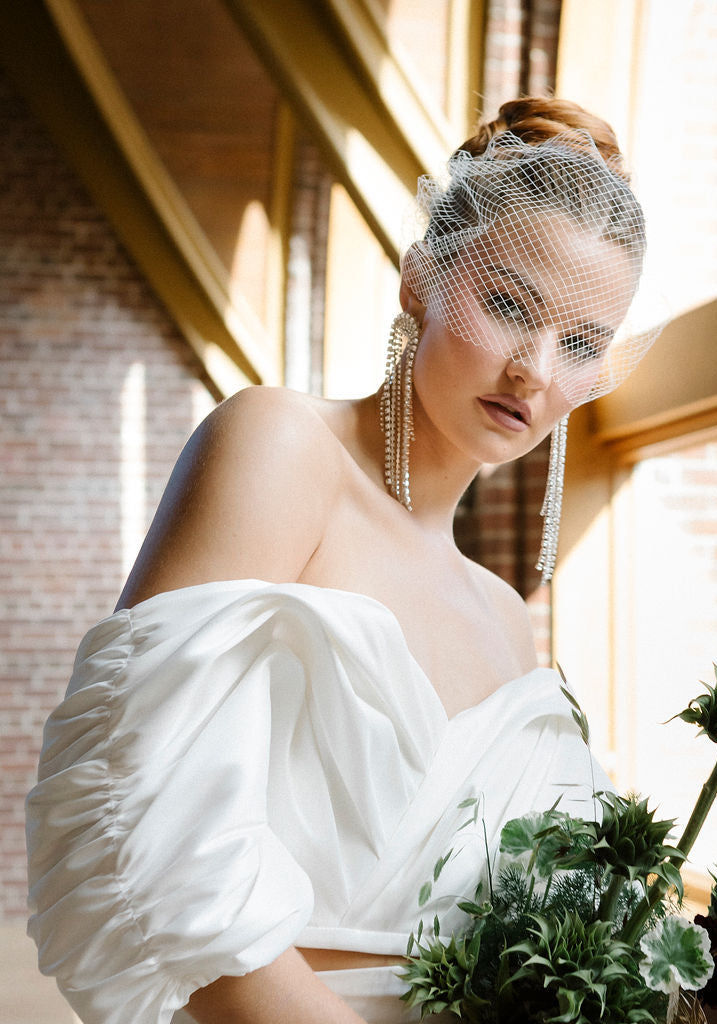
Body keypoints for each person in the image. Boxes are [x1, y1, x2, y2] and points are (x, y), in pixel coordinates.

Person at [25, 97, 657, 1024]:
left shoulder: (506, 618)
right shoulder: (280, 446)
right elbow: (136, 819)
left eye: (582, 343)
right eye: (508, 305)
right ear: (419, 279)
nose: (535, 367)